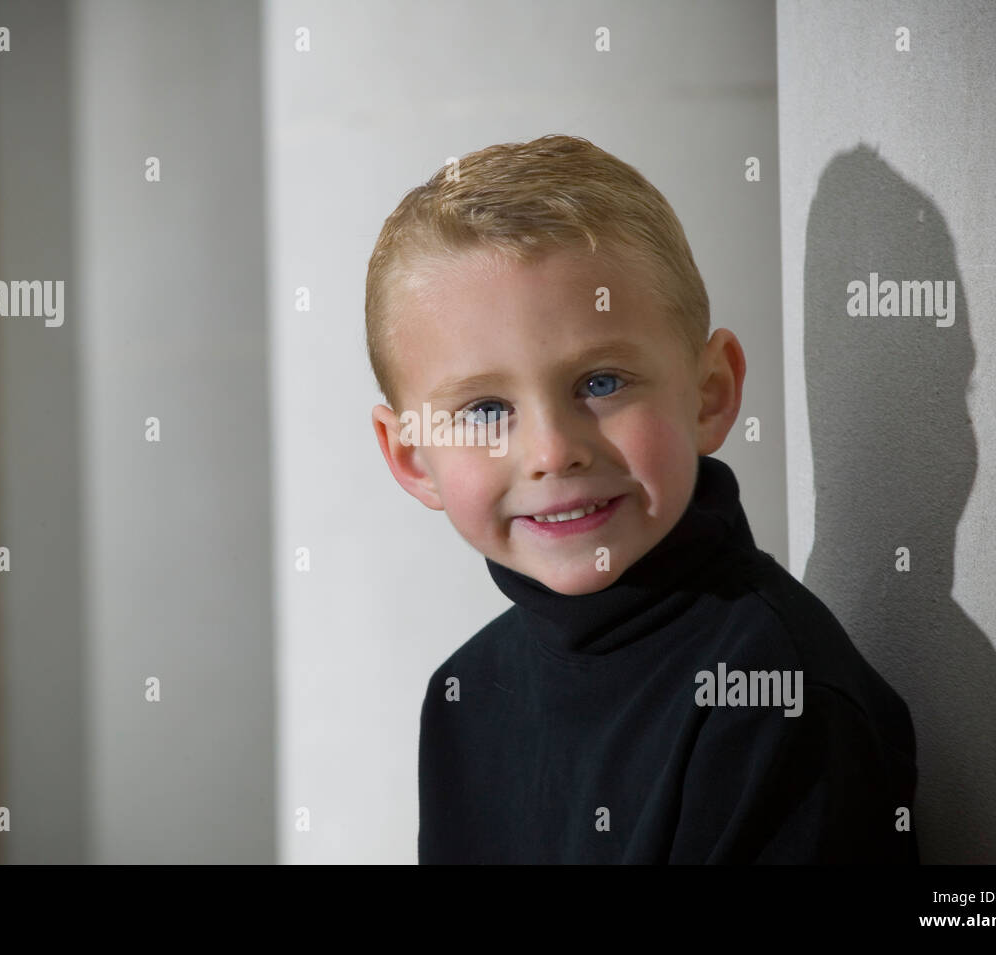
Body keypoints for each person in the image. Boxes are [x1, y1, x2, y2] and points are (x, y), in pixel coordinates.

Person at [365, 134, 918, 863]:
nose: (552, 450)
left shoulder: (775, 694)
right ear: (412, 457)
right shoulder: (464, 694)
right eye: (487, 410)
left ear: (711, 394)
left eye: (600, 382)